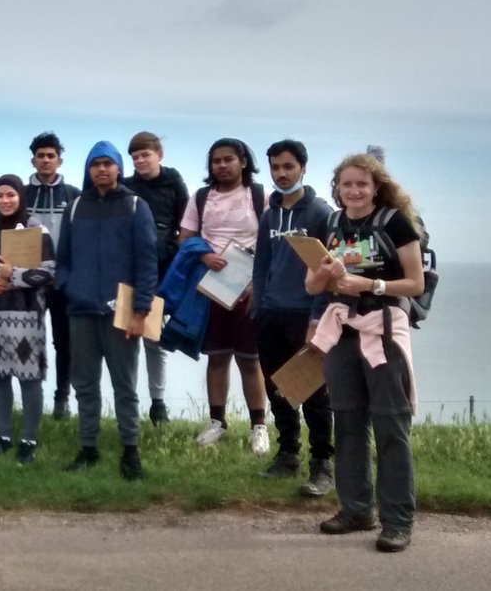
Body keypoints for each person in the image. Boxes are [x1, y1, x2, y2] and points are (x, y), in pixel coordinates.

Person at [306, 153, 424, 553]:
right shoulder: (332, 223)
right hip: (341, 330)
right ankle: (356, 509)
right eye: (346, 184)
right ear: (336, 188)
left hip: (383, 329)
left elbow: (415, 284)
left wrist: (370, 287)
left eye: (362, 184)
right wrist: (324, 276)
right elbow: (312, 285)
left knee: (392, 425)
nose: (353, 191)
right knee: (348, 420)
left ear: (376, 187)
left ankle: (397, 522)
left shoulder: (394, 222)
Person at [58, 141, 158, 481]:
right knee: (84, 384)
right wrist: (69, 286)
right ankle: (88, 447)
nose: (102, 169)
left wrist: (141, 310)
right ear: (88, 170)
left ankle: (130, 451)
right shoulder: (75, 208)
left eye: (108, 163)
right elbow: (64, 259)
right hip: (82, 310)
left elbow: (147, 261)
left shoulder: (134, 206)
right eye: (95, 164)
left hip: (122, 312)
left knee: (125, 385)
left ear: (118, 168)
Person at [252, 140, 335, 496]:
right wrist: (258, 308)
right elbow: (261, 264)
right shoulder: (269, 214)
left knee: (314, 393)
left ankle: (322, 464)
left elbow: (328, 269)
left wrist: (317, 318)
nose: (282, 174)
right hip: (270, 314)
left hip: (305, 315)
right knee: (278, 389)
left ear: (303, 167)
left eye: (288, 166)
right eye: (275, 167)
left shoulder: (321, 212)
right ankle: (288, 455)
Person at [177, 138, 269, 453]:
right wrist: (204, 257)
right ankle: (217, 422)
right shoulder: (201, 198)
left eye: (228, 159)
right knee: (217, 357)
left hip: (249, 288)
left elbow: (272, 242)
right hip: (211, 287)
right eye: (216, 160)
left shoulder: (259, 196)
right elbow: (186, 238)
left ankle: (259, 426)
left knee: (250, 359)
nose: (221, 165)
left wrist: (258, 280)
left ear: (243, 161)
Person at [0, 174, 56, 464]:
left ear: (20, 197)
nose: (5, 201)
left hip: (25, 317)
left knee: (29, 378)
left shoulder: (37, 230)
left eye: (11, 195)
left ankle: (29, 440)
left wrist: (15, 276)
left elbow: (49, 271)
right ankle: (3, 436)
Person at [122, 131, 189, 425]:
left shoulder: (174, 183)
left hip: (162, 271)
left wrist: (172, 251)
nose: (140, 161)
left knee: (153, 339)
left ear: (159, 155)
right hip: (129, 271)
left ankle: (158, 404)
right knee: (126, 339)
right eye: (135, 157)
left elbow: (186, 224)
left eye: (145, 155)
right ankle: (128, 402)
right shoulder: (126, 187)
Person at [24, 132, 81, 419]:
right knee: (28, 339)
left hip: (62, 282)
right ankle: (30, 397)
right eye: (41, 155)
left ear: (59, 160)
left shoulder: (73, 194)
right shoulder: (21, 193)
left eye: (51, 155)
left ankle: (62, 398)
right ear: (32, 159)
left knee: (64, 341)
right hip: (28, 282)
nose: (46, 160)